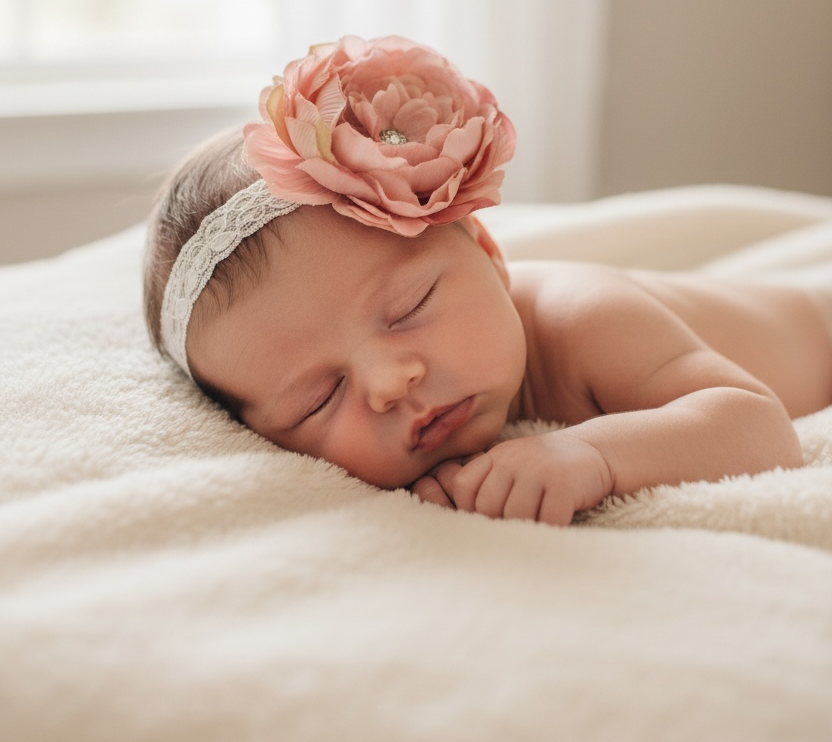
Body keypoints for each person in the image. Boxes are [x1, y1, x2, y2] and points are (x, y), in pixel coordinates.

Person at [144, 36, 832, 526]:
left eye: (409, 307)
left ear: (488, 252)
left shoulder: (584, 317)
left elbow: (758, 427)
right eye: (319, 400)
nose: (389, 384)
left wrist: (587, 456)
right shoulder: (444, 415)